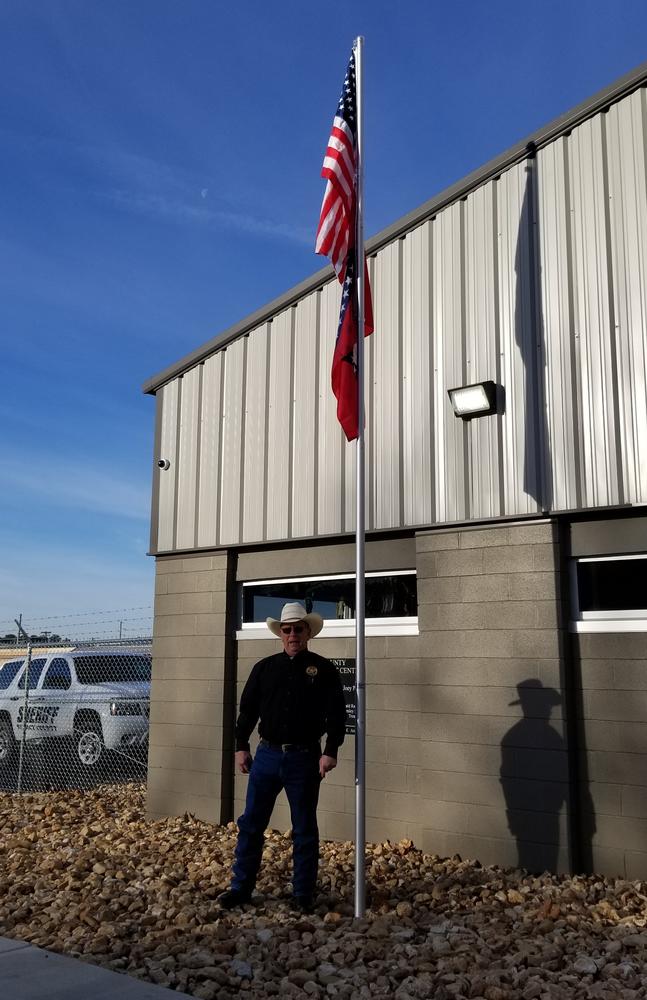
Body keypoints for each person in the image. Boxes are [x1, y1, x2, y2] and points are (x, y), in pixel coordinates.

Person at [219, 602, 346, 914]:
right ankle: (241, 889)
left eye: (298, 629)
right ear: (280, 633)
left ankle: (303, 894)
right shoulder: (264, 668)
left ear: (308, 632)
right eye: (287, 629)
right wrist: (240, 746)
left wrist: (331, 751)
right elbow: (247, 711)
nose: (292, 635)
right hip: (266, 757)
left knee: (304, 828)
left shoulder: (323, 669)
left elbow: (337, 714)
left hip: (305, 759)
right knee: (251, 824)